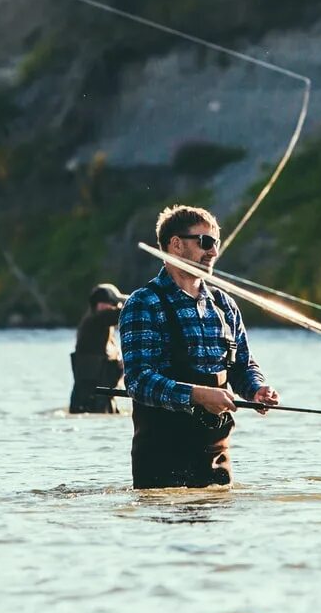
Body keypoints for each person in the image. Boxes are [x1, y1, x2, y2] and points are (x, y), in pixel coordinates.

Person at [119, 205, 278, 489]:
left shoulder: (224, 304)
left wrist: (256, 389)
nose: (213, 252)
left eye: (216, 244)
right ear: (176, 245)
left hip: (217, 460)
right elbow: (138, 380)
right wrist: (197, 395)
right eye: (204, 242)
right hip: (161, 461)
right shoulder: (143, 303)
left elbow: (243, 365)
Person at [69, 283, 128, 413]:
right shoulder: (96, 320)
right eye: (111, 303)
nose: (113, 307)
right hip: (94, 397)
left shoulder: (96, 324)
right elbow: (128, 311)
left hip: (94, 394)